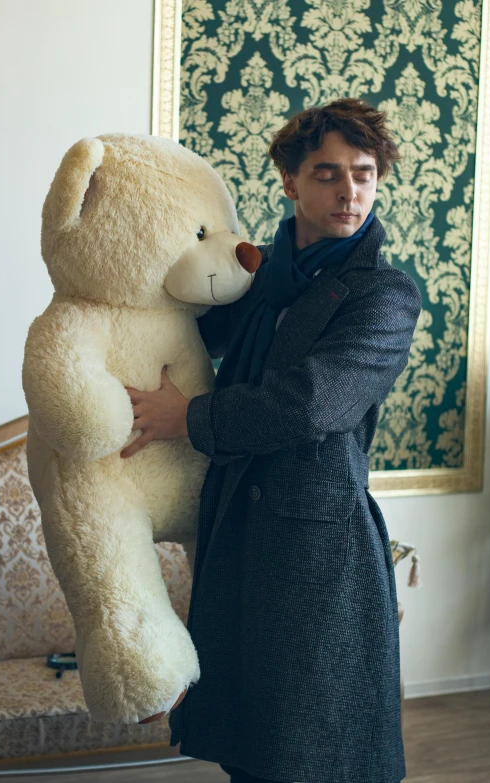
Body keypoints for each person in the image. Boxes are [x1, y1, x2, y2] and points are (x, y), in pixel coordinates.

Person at [120, 99, 422, 783]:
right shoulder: (256, 277)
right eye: (328, 173)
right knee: (250, 749)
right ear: (290, 182)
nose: (350, 191)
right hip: (236, 531)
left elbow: (314, 403)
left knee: (310, 750)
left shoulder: (384, 294)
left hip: (319, 551)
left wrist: (190, 418)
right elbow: (184, 333)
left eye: (365, 174)